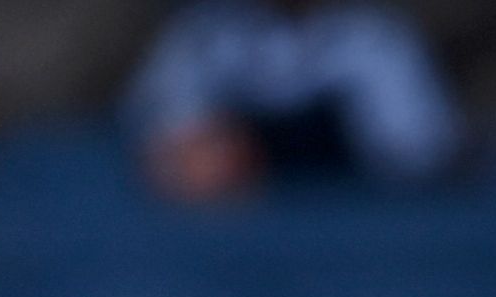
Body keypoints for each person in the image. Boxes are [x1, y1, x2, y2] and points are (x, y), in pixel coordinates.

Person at [126, 1, 460, 200]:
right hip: (240, 230)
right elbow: (164, 138)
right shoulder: (206, 35)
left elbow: (419, 152)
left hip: (352, 222)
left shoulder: (372, 40)